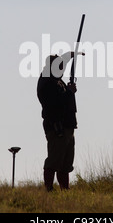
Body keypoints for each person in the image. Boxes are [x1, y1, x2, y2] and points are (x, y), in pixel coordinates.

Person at [37, 51, 84, 191]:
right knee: (54, 160)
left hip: (67, 126)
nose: (62, 69)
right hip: (57, 127)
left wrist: (71, 54)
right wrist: (69, 92)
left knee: (65, 163)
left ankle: (65, 189)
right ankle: (49, 189)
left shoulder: (54, 80)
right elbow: (55, 103)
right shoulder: (47, 82)